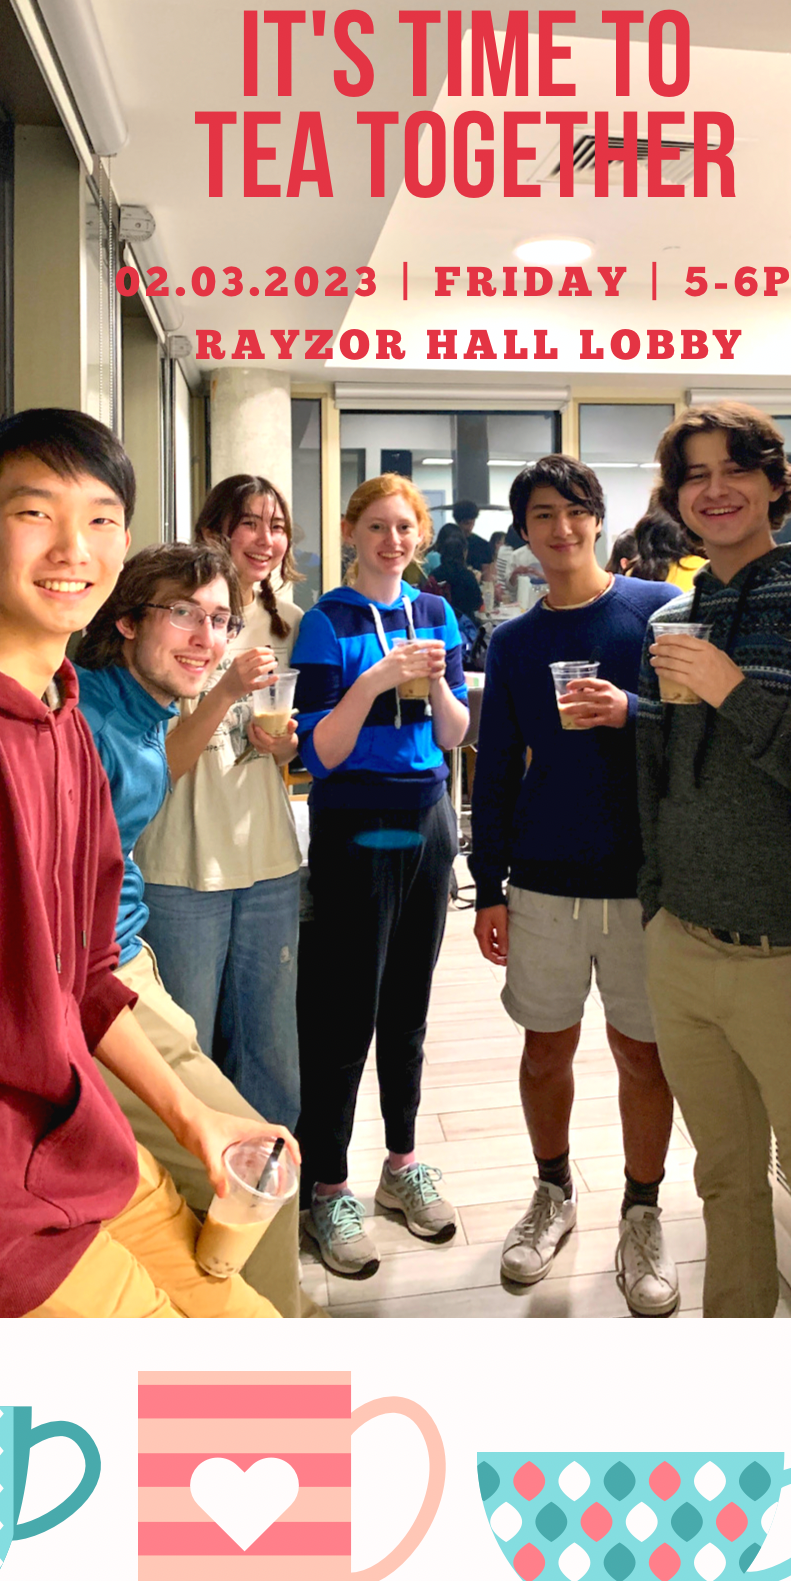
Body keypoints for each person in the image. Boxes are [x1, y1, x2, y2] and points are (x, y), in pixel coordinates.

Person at [0, 408, 288, 1318]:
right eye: (35, 513)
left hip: (77, 1146)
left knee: (258, 1334)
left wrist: (195, 1114)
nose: (73, 545)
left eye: (102, 517)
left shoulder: (60, 715)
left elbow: (82, 970)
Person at [638, 402, 791, 1319]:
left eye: (734, 468)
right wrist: (657, 898)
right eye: (693, 475)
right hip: (683, 942)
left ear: (778, 483)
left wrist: (730, 690)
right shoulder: (673, 612)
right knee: (725, 1182)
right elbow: (668, 782)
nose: (714, 489)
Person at [75, 540, 308, 1319]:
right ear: (126, 619)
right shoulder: (83, 723)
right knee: (261, 1165)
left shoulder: (142, 713)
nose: (207, 637)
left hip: (127, 956)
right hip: (100, 982)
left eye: (220, 619)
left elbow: (162, 771)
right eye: (184, 614)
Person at [472, 458, 682, 1315]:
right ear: (524, 530)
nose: (562, 529)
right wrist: (487, 883)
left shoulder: (656, 612)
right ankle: (552, 1190)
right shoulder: (515, 643)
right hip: (544, 876)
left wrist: (630, 710)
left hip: (640, 878)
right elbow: (491, 776)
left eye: (576, 512)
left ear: (600, 518)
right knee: (544, 1046)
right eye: (543, 515)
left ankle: (642, 1209)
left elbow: (692, 734)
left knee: (642, 1050)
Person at [291, 474, 470, 1275]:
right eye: (375, 525)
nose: (391, 539)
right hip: (354, 822)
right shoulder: (326, 621)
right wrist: (374, 678)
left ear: (420, 536)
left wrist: (430, 678)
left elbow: (457, 731)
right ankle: (327, 1186)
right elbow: (320, 751)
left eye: (404, 526)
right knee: (341, 1010)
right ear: (350, 532)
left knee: (408, 1001)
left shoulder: (435, 613)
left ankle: (400, 1164)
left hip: (427, 818)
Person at [137, 476, 303, 1127]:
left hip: (269, 859)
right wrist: (228, 688)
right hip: (182, 865)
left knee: (271, 1049)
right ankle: (191, 1205)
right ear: (214, 531)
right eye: (250, 523)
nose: (266, 539)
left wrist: (285, 744)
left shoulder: (285, 619)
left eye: (277, 524)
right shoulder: (171, 617)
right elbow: (165, 763)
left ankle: (269, 1206)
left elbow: (286, 754)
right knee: (187, 1047)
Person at [453, 497, 497, 573]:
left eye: (472, 523)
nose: (470, 528)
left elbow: (487, 573)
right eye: (466, 523)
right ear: (457, 522)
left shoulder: (482, 545)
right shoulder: (450, 543)